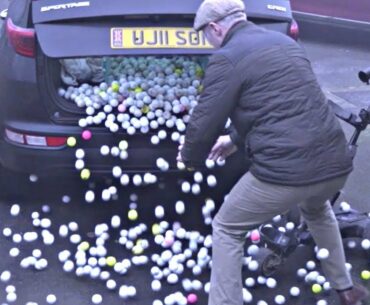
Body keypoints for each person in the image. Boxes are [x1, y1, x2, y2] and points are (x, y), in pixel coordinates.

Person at [176, 0, 370, 304]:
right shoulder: (283, 43)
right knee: (318, 210)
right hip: (335, 162)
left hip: (286, 172)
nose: (208, 43)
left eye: (205, 35)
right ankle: (346, 288)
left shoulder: (227, 58)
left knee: (226, 228)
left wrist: (189, 160)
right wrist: (234, 140)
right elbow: (284, 103)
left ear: (214, 28)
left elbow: (204, 122)